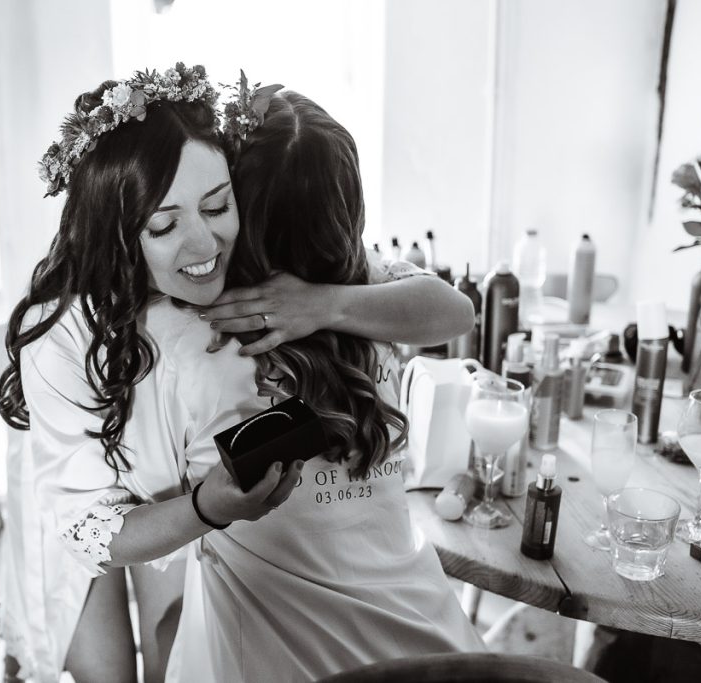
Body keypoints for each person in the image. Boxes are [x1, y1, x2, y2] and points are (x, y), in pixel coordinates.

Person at [0, 64, 474, 683]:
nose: (202, 245)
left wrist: (323, 303)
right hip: (313, 614)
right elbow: (91, 529)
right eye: (164, 225)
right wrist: (204, 509)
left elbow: (453, 310)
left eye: (218, 206)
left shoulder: (332, 288)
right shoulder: (150, 337)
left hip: (365, 616)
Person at [148, 88, 486, 681]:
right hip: (418, 633)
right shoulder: (372, 296)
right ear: (345, 213)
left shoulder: (190, 327)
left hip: (275, 657)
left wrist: (320, 304)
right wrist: (329, 303)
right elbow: (456, 311)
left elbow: (458, 310)